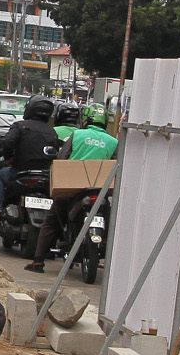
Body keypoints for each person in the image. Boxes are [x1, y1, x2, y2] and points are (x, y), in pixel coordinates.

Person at [28, 105, 119, 273]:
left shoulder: (77, 135)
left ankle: (38, 261)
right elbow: (116, 165)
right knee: (113, 222)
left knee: (52, 220)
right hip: (100, 191)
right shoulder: (113, 142)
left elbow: (62, 158)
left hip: (72, 189)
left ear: (85, 119)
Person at [0, 96, 65, 214]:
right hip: (45, 176)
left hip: (20, 172)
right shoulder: (52, 131)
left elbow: (8, 142)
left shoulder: (20, 126)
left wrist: (8, 159)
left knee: (0, 175)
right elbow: (55, 153)